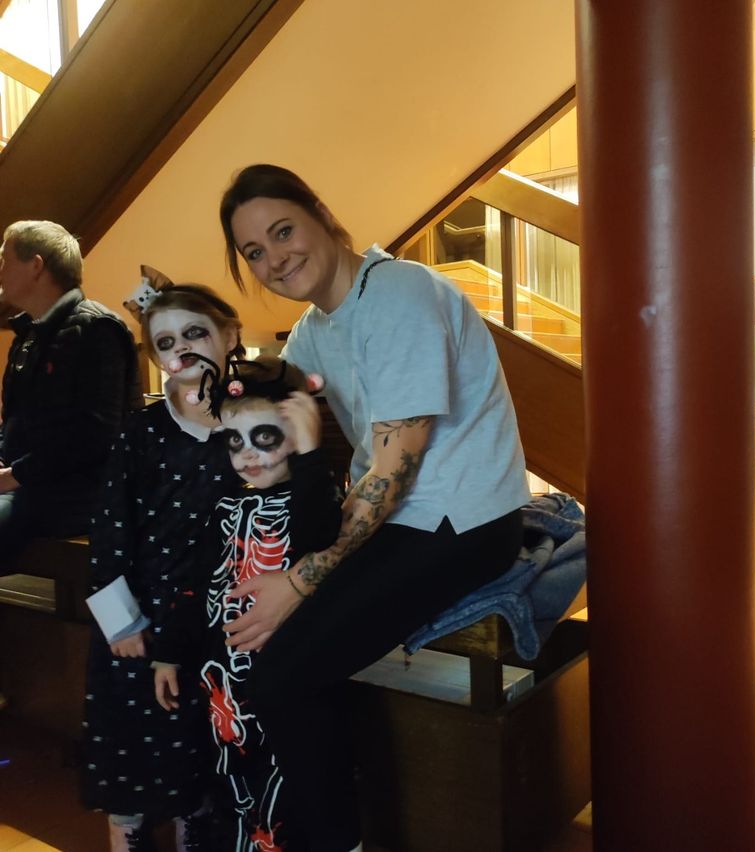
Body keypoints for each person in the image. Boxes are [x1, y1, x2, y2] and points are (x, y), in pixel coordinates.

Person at [218, 164, 531, 851]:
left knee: (283, 673)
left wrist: (301, 580)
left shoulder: (400, 293)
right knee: (265, 642)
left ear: (321, 214)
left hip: (461, 521)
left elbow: (394, 470)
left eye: (282, 231)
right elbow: (275, 420)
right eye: (254, 252)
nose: (274, 259)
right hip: (398, 520)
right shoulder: (312, 332)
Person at [80, 276, 244, 852]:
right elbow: (110, 528)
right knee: (134, 748)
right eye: (167, 342)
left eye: (196, 333)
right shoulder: (142, 431)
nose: (184, 349)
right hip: (142, 618)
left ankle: (194, 833)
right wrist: (120, 620)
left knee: (200, 750)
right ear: (156, 358)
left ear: (229, 335)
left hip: (222, 615)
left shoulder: (254, 422)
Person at [154, 355, 341, 851]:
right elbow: (195, 586)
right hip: (222, 684)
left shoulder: (312, 499)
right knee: (230, 788)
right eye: (237, 441)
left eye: (267, 438)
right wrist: (170, 650)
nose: (248, 455)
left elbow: (321, 534)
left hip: (282, 682)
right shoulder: (224, 506)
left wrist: (309, 456)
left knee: (285, 796)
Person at [0, 220, 141, 557]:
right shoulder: (30, 336)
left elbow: (94, 436)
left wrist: (13, 475)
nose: (0, 270)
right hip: (30, 484)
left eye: (5, 259)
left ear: (36, 266)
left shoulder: (96, 328)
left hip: (79, 494)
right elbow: (16, 426)